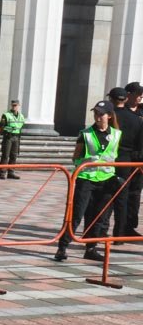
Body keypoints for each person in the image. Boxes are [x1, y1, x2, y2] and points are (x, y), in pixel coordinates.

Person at [55, 101, 119, 263]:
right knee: (76, 213)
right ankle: (62, 247)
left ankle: (91, 248)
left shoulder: (117, 134)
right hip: (86, 179)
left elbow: (114, 156)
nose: (97, 116)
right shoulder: (86, 133)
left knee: (99, 216)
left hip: (106, 180)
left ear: (109, 116)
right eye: (96, 113)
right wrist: (83, 165)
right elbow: (75, 157)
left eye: (101, 113)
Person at [109, 86, 143, 238]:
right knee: (120, 197)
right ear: (127, 97)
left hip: (120, 159)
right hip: (127, 159)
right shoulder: (136, 119)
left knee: (111, 196)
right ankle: (118, 232)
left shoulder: (111, 115)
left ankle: (100, 231)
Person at [0, 100, 24, 178]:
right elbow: (2, 128)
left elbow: (21, 126)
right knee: (5, 155)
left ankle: (11, 172)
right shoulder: (6, 115)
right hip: (8, 137)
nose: (14, 107)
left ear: (19, 106)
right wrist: (10, 129)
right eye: (13, 105)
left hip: (16, 137)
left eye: (16, 105)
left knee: (14, 155)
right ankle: (2, 173)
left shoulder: (21, 116)